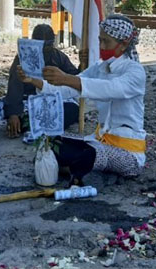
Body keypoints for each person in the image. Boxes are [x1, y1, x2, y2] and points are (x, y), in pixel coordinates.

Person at [17, 14, 146, 186]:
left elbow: (110, 89)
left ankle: (78, 171)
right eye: (100, 40)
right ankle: (78, 170)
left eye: (106, 42)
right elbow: (68, 90)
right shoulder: (100, 67)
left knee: (92, 154)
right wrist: (34, 81)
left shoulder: (135, 71)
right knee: (51, 142)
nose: (101, 46)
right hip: (99, 141)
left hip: (128, 153)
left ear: (123, 44)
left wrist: (68, 78)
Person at [4, 24, 80, 138]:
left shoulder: (59, 57)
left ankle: (41, 127)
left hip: (54, 101)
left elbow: (74, 78)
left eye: (47, 45)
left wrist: (83, 66)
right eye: (39, 45)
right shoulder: (22, 59)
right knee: (21, 119)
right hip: (29, 101)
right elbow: (14, 87)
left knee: (73, 110)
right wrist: (13, 113)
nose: (44, 49)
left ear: (53, 42)